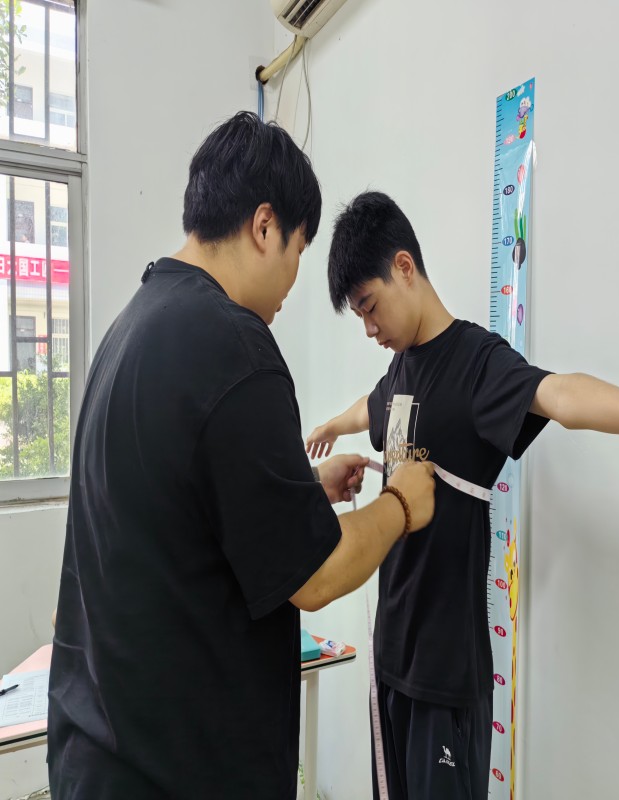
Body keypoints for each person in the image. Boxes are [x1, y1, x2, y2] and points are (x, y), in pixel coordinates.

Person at [306, 191, 619, 800]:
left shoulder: (476, 363)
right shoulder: (400, 368)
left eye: (370, 308)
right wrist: (335, 425)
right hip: (390, 661)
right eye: (359, 316)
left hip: (445, 677)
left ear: (404, 267)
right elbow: (374, 407)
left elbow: (561, 395)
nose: (370, 329)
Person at [47, 117, 435, 800]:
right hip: (182, 772)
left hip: (102, 756)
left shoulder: (134, 327)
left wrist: (302, 488)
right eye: (298, 249)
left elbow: (183, 505)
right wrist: (400, 502)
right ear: (264, 226)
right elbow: (315, 575)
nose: (292, 280)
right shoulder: (235, 347)